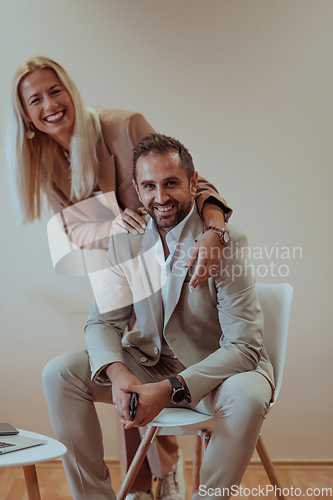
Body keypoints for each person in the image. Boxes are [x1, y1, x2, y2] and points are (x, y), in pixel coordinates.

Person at [7, 57, 233, 499]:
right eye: (36, 99)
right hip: (120, 276)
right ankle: (137, 487)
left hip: (174, 276)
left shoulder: (124, 127)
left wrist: (214, 231)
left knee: (151, 368)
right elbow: (72, 230)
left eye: (56, 90)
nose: (50, 104)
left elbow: (190, 181)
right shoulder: (47, 160)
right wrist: (113, 224)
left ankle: (162, 475)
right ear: (27, 118)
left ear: (69, 89)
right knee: (121, 374)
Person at [43, 134, 275, 500]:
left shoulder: (225, 241)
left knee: (248, 394)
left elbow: (245, 347)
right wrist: (119, 377)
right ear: (136, 188)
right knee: (59, 373)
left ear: (193, 183)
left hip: (215, 373)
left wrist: (169, 389)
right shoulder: (127, 240)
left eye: (171, 183)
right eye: (149, 186)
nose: (161, 197)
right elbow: (102, 322)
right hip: (150, 365)